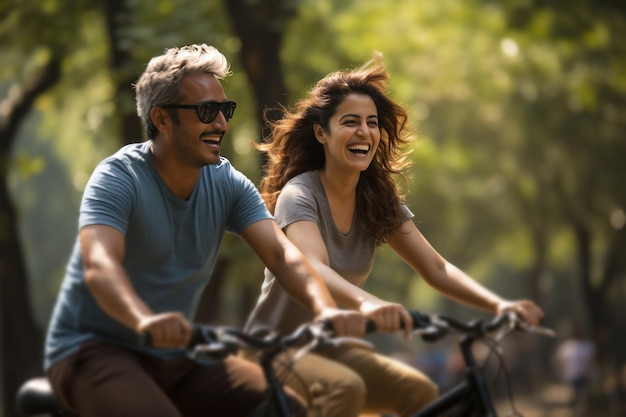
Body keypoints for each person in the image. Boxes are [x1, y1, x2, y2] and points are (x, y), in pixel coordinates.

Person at [43, 44, 366, 417]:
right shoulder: (119, 178)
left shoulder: (226, 182)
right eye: (206, 112)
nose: (222, 124)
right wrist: (143, 320)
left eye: (225, 110)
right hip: (92, 350)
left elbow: (282, 255)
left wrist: (325, 309)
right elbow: (100, 265)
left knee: (284, 407)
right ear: (162, 119)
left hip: (176, 356)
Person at [243, 52, 545, 417]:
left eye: (372, 123)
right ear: (321, 132)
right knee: (345, 389)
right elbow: (312, 266)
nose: (364, 132)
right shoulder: (300, 194)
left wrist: (498, 305)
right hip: (274, 349)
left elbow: (435, 267)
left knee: (417, 391)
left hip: (331, 346)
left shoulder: (376, 198)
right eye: (350, 122)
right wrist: (369, 303)